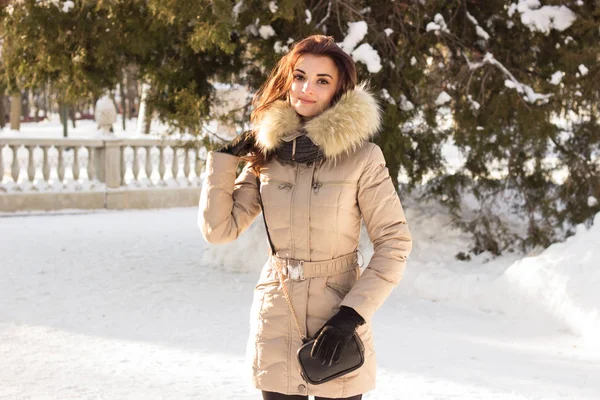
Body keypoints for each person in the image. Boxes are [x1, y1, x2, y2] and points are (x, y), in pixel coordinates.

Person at [198, 35, 412, 400]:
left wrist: (350, 316)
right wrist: (225, 160)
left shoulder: (363, 158)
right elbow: (219, 230)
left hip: (337, 320)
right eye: (299, 76)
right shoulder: (268, 154)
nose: (306, 89)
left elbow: (394, 244)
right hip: (277, 314)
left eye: (322, 80)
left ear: (339, 90)